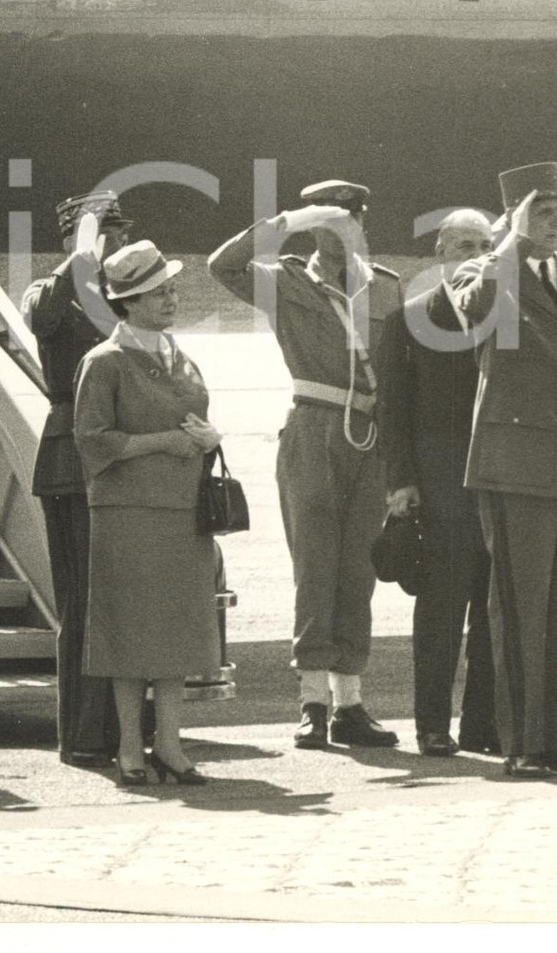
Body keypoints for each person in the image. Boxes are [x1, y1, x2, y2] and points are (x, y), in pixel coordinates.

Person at [208, 180, 401, 750]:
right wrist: (286, 221)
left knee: (358, 570)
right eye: (333, 221)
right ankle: (313, 702)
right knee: (315, 566)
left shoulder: (384, 288)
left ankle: (350, 705)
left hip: (371, 436)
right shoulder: (286, 280)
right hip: (314, 430)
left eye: (353, 220)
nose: (346, 231)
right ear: (314, 226)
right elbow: (223, 265)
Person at [453, 162, 557, 780]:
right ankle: (521, 743)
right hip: (517, 465)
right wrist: (509, 243)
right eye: (544, 211)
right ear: (517, 217)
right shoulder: (488, 268)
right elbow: (473, 314)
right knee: (521, 607)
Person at [74, 240, 222, 786]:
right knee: (131, 633)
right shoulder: (105, 362)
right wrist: (164, 441)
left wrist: (210, 438)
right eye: (158, 292)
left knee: (179, 632)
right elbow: (92, 440)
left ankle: (171, 745)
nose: (170, 299)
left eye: (172, 289)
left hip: (183, 512)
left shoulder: (178, 355)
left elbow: (196, 419)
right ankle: (131, 748)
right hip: (128, 513)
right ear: (129, 301)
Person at [378, 209, 499, 758]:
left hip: (500, 479)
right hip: (441, 483)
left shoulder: (509, 315)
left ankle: (483, 724)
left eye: (484, 244)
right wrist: (400, 482)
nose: (474, 253)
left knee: (495, 607)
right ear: (440, 253)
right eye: (463, 245)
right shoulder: (409, 318)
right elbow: (392, 410)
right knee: (442, 609)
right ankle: (432, 724)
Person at [21, 190, 131, 768]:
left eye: (115, 233)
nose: (112, 244)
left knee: (120, 601)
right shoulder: (50, 290)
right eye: (102, 234)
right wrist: (79, 256)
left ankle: (123, 732)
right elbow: (41, 317)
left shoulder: (121, 296)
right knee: (83, 603)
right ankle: (86, 735)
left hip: (123, 456)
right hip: (70, 459)